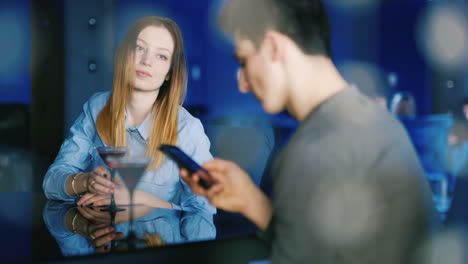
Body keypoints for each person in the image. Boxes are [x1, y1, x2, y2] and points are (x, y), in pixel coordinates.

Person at [181, 0, 436, 263]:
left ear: (273, 47)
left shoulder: (314, 150)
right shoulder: (372, 119)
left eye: (244, 61)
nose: (243, 84)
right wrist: (253, 203)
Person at [43, 16, 216, 222]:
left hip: (161, 249)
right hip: (104, 248)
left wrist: (141, 200)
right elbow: (51, 182)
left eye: (161, 56)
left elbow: (205, 209)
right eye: (140, 48)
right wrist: (85, 181)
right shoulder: (97, 107)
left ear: (170, 72)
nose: (146, 61)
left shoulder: (187, 129)